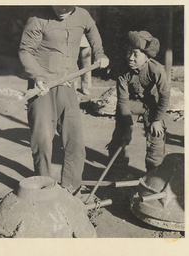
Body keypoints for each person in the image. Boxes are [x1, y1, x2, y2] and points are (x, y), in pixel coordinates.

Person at [18, 6, 109, 195]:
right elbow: (25, 50)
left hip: (67, 86)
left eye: (66, 6)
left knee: (75, 141)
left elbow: (93, 32)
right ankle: (44, 189)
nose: (61, 9)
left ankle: (71, 188)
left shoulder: (83, 15)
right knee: (42, 142)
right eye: (57, 5)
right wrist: (38, 76)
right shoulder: (37, 18)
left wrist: (99, 53)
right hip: (42, 89)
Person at [107, 31, 170, 180]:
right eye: (129, 52)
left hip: (152, 105)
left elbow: (164, 96)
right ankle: (118, 175)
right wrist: (128, 126)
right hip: (131, 103)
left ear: (147, 57)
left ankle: (153, 177)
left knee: (157, 136)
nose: (130, 57)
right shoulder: (123, 72)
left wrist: (157, 120)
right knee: (120, 137)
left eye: (136, 54)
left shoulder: (157, 70)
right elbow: (123, 101)